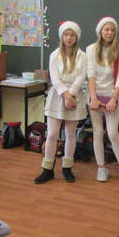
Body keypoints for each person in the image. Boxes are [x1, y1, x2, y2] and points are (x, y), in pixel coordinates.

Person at [34, 21, 87, 184]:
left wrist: (71, 95)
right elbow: (54, 78)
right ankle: (47, 169)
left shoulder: (82, 56)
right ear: (62, 36)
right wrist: (65, 95)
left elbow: (81, 77)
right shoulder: (55, 55)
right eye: (66, 34)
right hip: (58, 96)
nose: (69, 38)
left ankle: (67, 168)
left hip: (74, 96)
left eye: (72, 35)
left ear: (76, 37)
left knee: (70, 134)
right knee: (52, 134)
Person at [86, 17, 119, 184]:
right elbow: (91, 75)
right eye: (106, 29)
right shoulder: (91, 49)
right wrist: (93, 98)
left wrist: (114, 98)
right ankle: (101, 167)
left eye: (112, 30)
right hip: (95, 96)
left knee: (113, 133)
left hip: (111, 96)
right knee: (98, 132)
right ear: (100, 31)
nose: (109, 33)